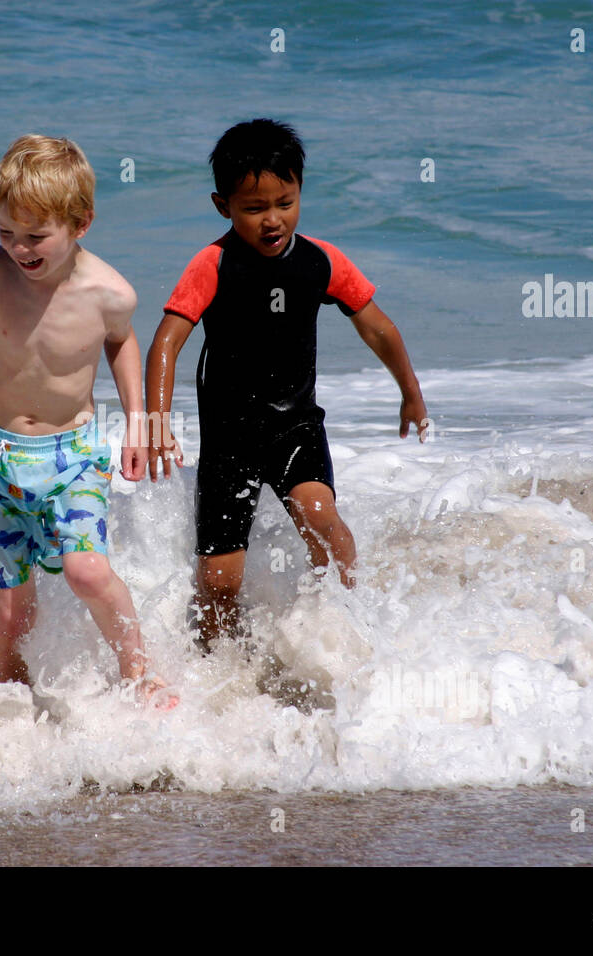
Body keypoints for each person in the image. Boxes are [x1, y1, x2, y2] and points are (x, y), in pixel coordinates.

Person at [0, 134, 174, 707]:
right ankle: (3, 699)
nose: (17, 248)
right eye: (5, 232)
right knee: (9, 606)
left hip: (72, 455)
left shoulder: (110, 293)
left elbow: (121, 344)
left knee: (87, 573)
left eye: (34, 236)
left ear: (81, 223)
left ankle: (140, 673)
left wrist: (138, 423)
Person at [145, 118, 428, 651]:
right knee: (219, 584)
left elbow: (377, 325)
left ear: (300, 192)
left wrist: (409, 392)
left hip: (295, 427)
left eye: (285, 202)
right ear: (222, 205)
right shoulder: (213, 264)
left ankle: (348, 630)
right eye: (254, 209)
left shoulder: (319, 260)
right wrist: (156, 421)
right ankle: (219, 674)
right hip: (230, 440)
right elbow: (166, 342)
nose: (272, 220)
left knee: (323, 520)